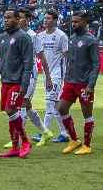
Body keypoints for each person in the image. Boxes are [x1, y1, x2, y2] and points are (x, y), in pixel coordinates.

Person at [0, 8, 36, 158]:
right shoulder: (3, 38)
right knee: (10, 114)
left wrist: (24, 85)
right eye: (4, 17)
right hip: (5, 82)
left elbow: (28, 63)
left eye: (8, 18)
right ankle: (15, 147)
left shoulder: (24, 38)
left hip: (17, 82)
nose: (5, 20)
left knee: (10, 109)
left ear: (17, 19)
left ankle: (26, 142)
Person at [57, 11, 100, 155]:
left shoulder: (91, 40)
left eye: (76, 22)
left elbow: (96, 64)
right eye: (72, 21)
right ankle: (74, 139)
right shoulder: (72, 38)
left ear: (84, 22)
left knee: (87, 113)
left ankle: (87, 145)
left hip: (84, 83)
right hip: (70, 81)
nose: (73, 24)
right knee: (61, 108)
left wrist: (90, 85)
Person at [34, 10, 69, 143]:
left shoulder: (61, 36)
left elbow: (67, 57)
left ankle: (44, 132)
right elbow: (40, 55)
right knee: (54, 105)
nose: (45, 20)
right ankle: (64, 133)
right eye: (45, 18)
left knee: (49, 102)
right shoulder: (40, 36)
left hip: (57, 74)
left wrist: (67, 75)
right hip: (46, 74)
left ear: (55, 21)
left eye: (48, 18)